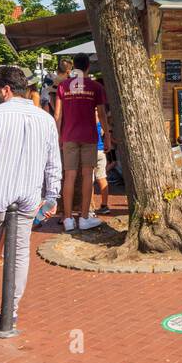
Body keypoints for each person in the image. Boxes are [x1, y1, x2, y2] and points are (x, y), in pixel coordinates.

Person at [0, 66, 60, 333]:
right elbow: (53, 164)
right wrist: (51, 198)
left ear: (5, 90)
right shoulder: (45, 119)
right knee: (19, 254)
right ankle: (11, 312)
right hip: (29, 197)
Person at [54, 53, 110, 231]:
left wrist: (58, 138)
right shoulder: (95, 87)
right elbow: (101, 114)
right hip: (89, 136)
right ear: (87, 67)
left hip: (68, 135)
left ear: (74, 67)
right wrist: (107, 136)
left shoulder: (63, 86)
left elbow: (58, 115)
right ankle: (84, 217)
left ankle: (68, 219)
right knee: (87, 176)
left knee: (68, 176)